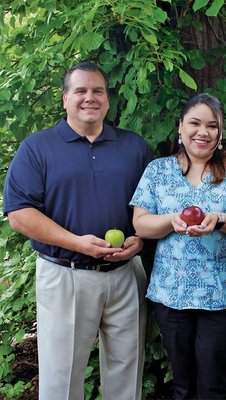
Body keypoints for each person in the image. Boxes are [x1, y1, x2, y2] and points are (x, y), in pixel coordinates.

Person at [3, 61, 152, 400]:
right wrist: (78, 243)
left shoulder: (134, 147)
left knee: (127, 374)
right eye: (81, 90)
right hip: (65, 274)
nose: (90, 97)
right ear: (65, 98)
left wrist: (139, 239)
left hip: (126, 272)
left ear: (108, 99)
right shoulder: (37, 148)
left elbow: (152, 206)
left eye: (98, 90)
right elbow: (20, 215)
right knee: (61, 380)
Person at [130, 93, 226, 399]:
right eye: (194, 123)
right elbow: (141, 224)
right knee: (183, 386)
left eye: (212, 126)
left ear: (220, 133)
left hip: (223, 295)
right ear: (180, 127)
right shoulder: (158, 170)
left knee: (216, 387)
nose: (202, 132)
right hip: (171, 295)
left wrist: (218, 219)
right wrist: (171, 220)